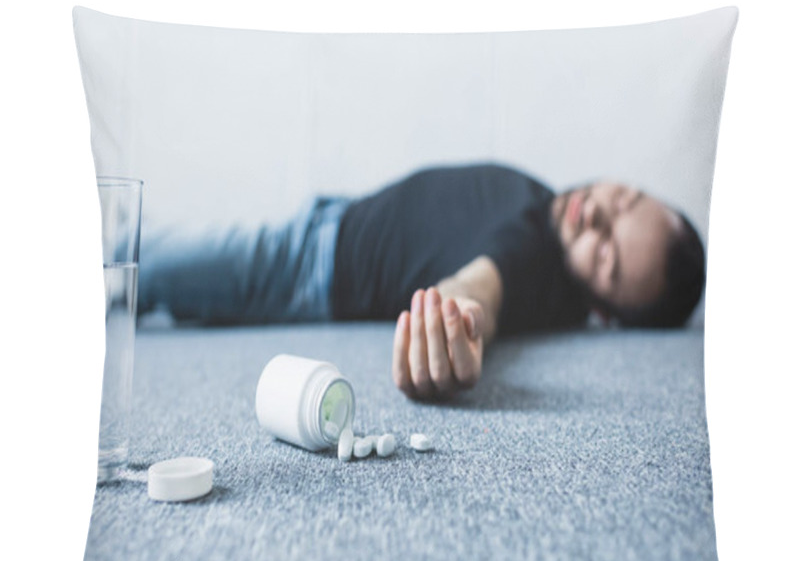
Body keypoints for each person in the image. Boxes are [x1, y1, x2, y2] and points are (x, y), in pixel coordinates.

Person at [137, 162, 705, 401]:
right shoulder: (541, 209)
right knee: (174, 288)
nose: (599, 215)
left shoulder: (536, 259)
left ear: (602, 312)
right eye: (625, 199)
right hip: (334, 218)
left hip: (309, 265)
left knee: (144, 261)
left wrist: (451, 315)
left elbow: (486, 282)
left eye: (606, 256)